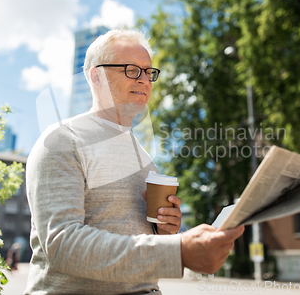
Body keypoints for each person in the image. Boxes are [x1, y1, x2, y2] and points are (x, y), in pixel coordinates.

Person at [24, 29, 245, 295]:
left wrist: (164, 230)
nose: (144, 79)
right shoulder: (62, 140)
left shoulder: (146, 160)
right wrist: (176, 250)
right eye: (131, 70)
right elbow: (62, 245)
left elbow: (137, 242)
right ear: (96, 76)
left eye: (149, 72)